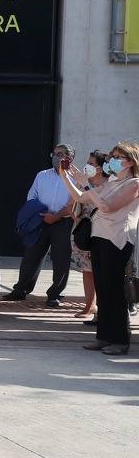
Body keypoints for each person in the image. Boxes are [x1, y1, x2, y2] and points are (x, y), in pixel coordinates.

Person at [62, 142, 139, 355]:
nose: (112, 160)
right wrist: (65, 176)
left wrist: (88, 185)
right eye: (112, 156)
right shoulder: (112, 181)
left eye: (117, 157)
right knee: (103, 290)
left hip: (118, 240)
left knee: (115, 292)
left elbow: (106, 206)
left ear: (130, 161)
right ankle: (103, 337)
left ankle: (120, 340)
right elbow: (79, 197)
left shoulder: (134, 184)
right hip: (99, 238)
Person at [1, 143, 77, 309]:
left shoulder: (76, 178)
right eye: (55, 154)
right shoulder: (42, 175)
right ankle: (20, 290)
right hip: (41, 219)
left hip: (63, 221)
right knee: (31, 255)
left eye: (61, 154)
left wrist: (56, 216)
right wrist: (40, 213)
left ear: (69, 158)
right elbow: (32, 196)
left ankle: (55, 294)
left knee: (61, 258)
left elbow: (75, 203)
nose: (57, 157)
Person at [70, 150, 110, 323]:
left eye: (91, 163)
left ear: (100, 168)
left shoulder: (108, 184)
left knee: (101, 273)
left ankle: (102, 311)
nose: (88, 166)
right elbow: (75, 201)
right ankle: (89, 305)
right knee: (87, 271)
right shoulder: (82, 183)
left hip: (101, 233)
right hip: (83, 232)